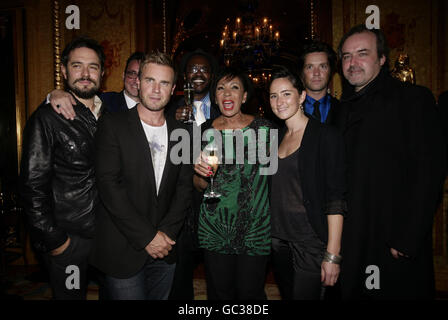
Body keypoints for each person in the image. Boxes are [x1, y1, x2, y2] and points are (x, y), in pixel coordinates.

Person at [336, 24, 446, 299]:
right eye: (347, 56)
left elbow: (429, 172)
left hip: (391, 241)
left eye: (362, 53)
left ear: (382, 59)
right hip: (351, 239)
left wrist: (408, 237)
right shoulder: (339, 110)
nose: (352, 63)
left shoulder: (412, 99)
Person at [90, 51, 193, 300]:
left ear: (173, 88)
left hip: (165, 248)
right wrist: (148, 237)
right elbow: (108, 187)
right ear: (138, 82)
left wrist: (166, 235)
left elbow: (184, 188)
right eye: (150, 80)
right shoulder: (112, 124)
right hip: (123, 247)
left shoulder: (182, 133)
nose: (156, 89)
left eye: (164, 83)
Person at [19, 36, 105, 299]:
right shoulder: (47, 117)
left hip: (110, 237)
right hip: (69, 239)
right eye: (77, 66)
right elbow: (32, 186)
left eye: (93, 67)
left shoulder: (111, 116)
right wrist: (55, 241)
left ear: (102, 72)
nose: (85, 74)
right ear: (64, 71)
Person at [193, 67, 273, 300]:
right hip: (215, 228)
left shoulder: (265, 129)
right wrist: (200, 174)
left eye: (234, 88)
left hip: (255, 228)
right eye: (221, 88)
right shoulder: (203, 131)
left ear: (244, 96)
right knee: (219, 293)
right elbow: (197, 185)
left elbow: (279, 177)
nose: (227, 94)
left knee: (251, 294)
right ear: (215, 97)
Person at [268, 66, 346, 300]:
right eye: (273, 95)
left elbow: (336, 199)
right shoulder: (275, 138)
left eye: (286, 93)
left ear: (302, 96)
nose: (279, 101)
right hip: (278, 242)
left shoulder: (326, 136)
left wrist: (332, 255)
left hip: (311, 243)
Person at [167, 49, 221, 300]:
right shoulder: (169, 110)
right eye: (193, 69)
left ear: (211, 75)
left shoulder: (225, 107)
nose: (198, 74)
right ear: (184, 75)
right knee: (180, 277)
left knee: (218, 276)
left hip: (216, 204)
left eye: (204, 69)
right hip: (181, 207)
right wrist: (172, 121)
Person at [47, 51, 145, 119]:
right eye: (132, 74)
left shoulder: (157, 109)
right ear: (123, 75)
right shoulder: (103, 101)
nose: (136, 80)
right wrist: (55, 94)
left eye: (142, 75)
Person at [298, 41, 340, 124]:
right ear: (302, 72)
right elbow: (274, 135)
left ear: (330, 71)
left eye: (322, 66)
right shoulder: (288, 109)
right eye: (310, 67)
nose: (316, 73)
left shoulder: (344, 110)